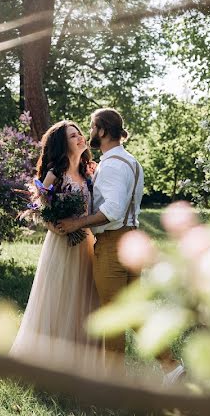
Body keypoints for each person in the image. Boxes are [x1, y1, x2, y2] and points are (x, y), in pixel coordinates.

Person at [8, 120, 104, 370]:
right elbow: (38, 207)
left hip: (86, 243)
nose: (80, 138)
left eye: (80, 133)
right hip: (61, 245)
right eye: (73, 136)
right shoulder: (55, 173)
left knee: (84, 297)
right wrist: (55, 226)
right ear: (64, 144)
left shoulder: (89, 172)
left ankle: (80, 361)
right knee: (59, 298)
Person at [54, 108, 144, 364]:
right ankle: (172, 368)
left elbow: (112, 211)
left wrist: (76, 223)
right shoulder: (131, 161)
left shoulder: (113, 165)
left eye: (93, 127)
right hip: (132, 241)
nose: (89, 132)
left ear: (103, 130)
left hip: (114, 243)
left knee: (113, 315)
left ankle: (113, 387)